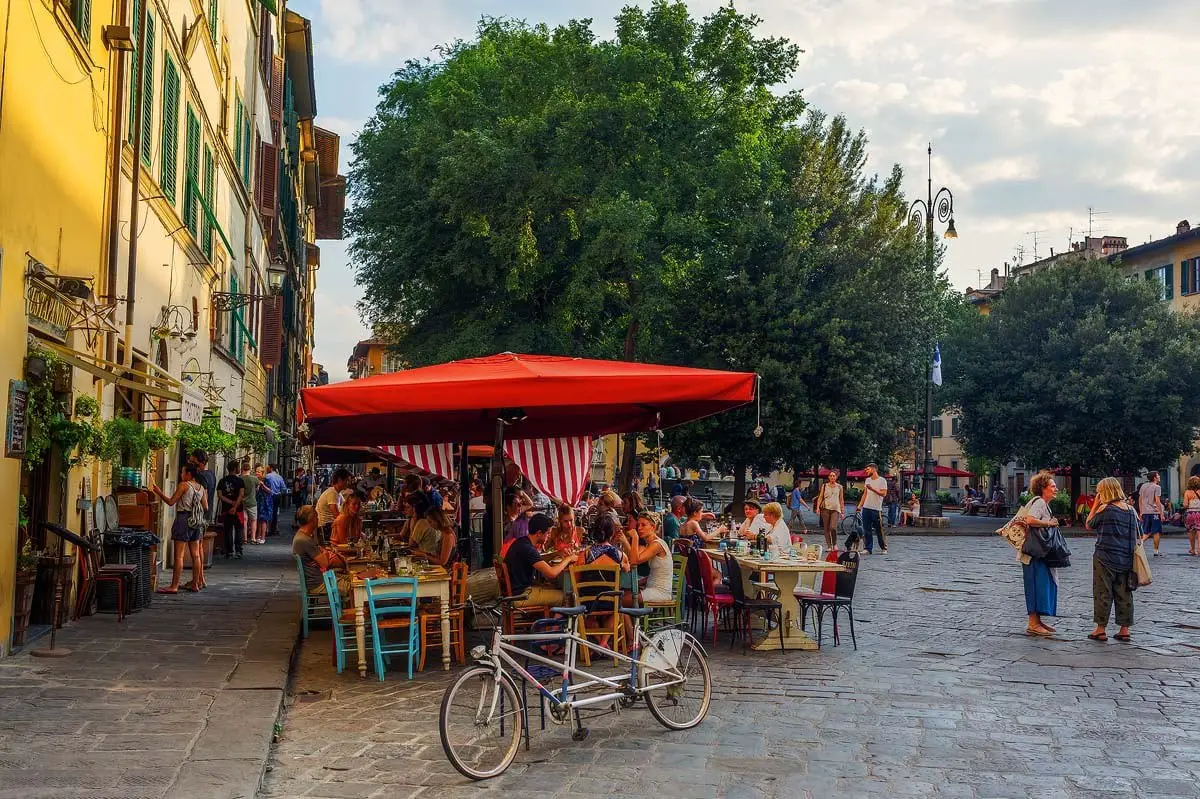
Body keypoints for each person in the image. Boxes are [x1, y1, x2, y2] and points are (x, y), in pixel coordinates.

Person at [1085, 477, 1139, 643]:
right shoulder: (1131, 510)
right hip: (1126, 557)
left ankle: (1101, 629)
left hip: (1105, 556)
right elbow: (1139, 532)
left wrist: (1095, 505)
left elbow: (1089, 524)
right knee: (1125, 593)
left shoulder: (1105, 509)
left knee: (1103, 592)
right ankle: (1124, 629)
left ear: (1104, 492)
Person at [152, 464, 209, 593]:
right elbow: (205, 507)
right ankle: (195, 583)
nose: (181, 475)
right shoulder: (201, 488)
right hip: (196, 521)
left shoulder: (184, 485)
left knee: (179, 556)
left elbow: (171, 502)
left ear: (189, 474)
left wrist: (159, 492)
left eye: (182, 472)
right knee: (196, 555)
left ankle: (174, 586)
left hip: (183, 519)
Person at [505, 513, 578, 607]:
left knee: (553, 587)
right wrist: (568, 558)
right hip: (521, 595)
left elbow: (538, 560)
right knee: (565, 597)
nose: (549, 536)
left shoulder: (522, 542)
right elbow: (551, 573)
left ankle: (552, 620)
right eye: (548, 533)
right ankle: (553, 622)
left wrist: (557, 553)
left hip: (516, 592)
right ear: (539, 533)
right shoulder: (528, 549)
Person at [1021, 471, 1061, 637]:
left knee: (1042, 585)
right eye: (1052, 486)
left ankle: (1037, 621)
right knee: (1036, 586)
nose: (1055, 488)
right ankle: (1032, 622)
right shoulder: (1039, 503)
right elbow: (1030, 520)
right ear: (1043, 488)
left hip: (1038, 552)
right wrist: (1049, 523)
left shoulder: (1043, 503)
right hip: (1034, 553)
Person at [291, 505, 349, 597]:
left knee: (350, 577)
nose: (318, 519)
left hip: (318, 578)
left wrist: (322, 552)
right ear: (312, 519)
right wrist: (325, 552)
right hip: (318, 583)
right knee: (352, 587)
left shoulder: (304, 536)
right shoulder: (305, 540)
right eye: (316, 516)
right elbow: (325, 563)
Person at [216, 459, 247, 559]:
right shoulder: (240, 481)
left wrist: (230, 503)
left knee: (228, 529)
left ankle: (229, 551)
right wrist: (235, 505)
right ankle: (238, 551)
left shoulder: (222, 481)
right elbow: (241, 495)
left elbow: (220, 495)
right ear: (235, 469)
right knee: (239, 529)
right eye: (238, 467)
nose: (240, 469)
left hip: (226, 509)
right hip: (238, 509)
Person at [857, 463, 888, 555]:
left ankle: (884, 547)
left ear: (874, 469)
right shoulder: (867, 480)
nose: (866, 471)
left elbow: (883, 493)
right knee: (867, 529)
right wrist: (860, 505)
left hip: (876, 508)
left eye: (868, 469)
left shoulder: (882, 480)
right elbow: (865, 494)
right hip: (866, 507)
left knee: (879, 529)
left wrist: (872, 488)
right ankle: (868, 548)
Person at [315, 468, 351, 538]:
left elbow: (346, 506)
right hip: (326, 527)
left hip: (330, 525)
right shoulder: (332, 493)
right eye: (347, 481)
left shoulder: (338, 493)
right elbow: (336, 515)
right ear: (340, 480)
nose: (348, 483)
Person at [419, 503, 458, 567]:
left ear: (438, 520)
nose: (429, 525)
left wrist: (425, 555)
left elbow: (442, 562)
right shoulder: (444, 533)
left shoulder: (448, 536)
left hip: (444, 570)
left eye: (430, 522)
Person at [816, 469, 844, 549]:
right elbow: (820, 497)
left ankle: (834, 543)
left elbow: (841, 499)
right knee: (826, 528)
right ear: (828, 477)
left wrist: (842, 511)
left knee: (833, 527)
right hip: (825, 508)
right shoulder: (824, 486)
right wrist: (818, 508)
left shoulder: (839, 487)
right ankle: (829, 545)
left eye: (833, 476)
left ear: (836, 477)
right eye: (830, 476)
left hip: (835, 509)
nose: (832, 477)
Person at [1137, 472, 1164, 556]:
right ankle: (1155, 551)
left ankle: (1139, 543)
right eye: (1158, 475)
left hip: (1145, 511)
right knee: (1156, 531)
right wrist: (1161, 513)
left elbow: (1140, 499)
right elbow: (1157, 500)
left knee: (1146, 531)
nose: (1159, 476)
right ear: (1155, 478)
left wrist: (1141, 512)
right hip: (1154, 512)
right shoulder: (1157, 487)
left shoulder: (1143, 486)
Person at [189, 451, 216, 523]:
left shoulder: (200, 476)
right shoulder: (211, 474)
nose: (191, 465)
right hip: (207, 513)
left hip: (198, 514)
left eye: (192, 462)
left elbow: (204, 495)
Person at [265, 464, 288, 537]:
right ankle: (273, 529)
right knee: (274, 513)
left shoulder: (267, 476)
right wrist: (280, 493)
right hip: (277, 496)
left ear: (271, 468)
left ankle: (268, 529)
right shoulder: (279, 477)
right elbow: (284, 488)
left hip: (269, 495)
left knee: (268, 511)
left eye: (268, 468)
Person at [240, 462, 260, 544]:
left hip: (242, 502)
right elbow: (257, 489)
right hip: (252, 502)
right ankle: (253, 538)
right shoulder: (255, 479)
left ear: (242, 469)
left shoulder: (240, 479)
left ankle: (244, 539)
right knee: (253, 520)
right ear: (250, 468)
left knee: (244, 521)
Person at [253, 465, 273, 545]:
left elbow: (269, 491)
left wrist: (263, 485)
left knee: (263, 519)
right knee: (258, 519)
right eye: (256, 471)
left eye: (258, 472)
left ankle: (263, 537)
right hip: (258, 501)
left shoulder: (266, 480)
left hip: (265, 501)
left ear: (262, 473)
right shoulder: (255, 480)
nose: (257, 473)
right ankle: (258, 536)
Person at [1184, 476, 1200, 556]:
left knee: (1191, 531)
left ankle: (1193, 549)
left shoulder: (1187, 492)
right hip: (1199, 513)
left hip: (1190, 513)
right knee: (1199, 531)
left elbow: (1185, 505)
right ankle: (1199, 549)